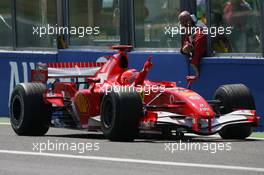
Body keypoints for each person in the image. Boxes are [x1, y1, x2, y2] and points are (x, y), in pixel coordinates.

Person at [178, 11, 207, 77]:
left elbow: (198, 46)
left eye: (183, 24)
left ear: (189, 22)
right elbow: (186, 44)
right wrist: (184, 50)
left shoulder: (200, 32)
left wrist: (194, 63)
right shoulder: (190, 30)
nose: (183, 26)